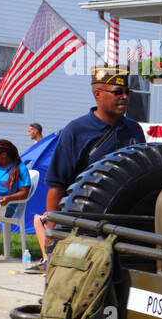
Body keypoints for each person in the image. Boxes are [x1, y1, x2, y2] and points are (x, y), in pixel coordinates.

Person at [37, 67, 146, 273]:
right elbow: (57, 185)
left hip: (125, 224)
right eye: (117, 92)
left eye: (127, 93)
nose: (124, 97)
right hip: (83, 225)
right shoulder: (76, 131)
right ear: (98, 94)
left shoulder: (134, 130)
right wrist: (52, 231)